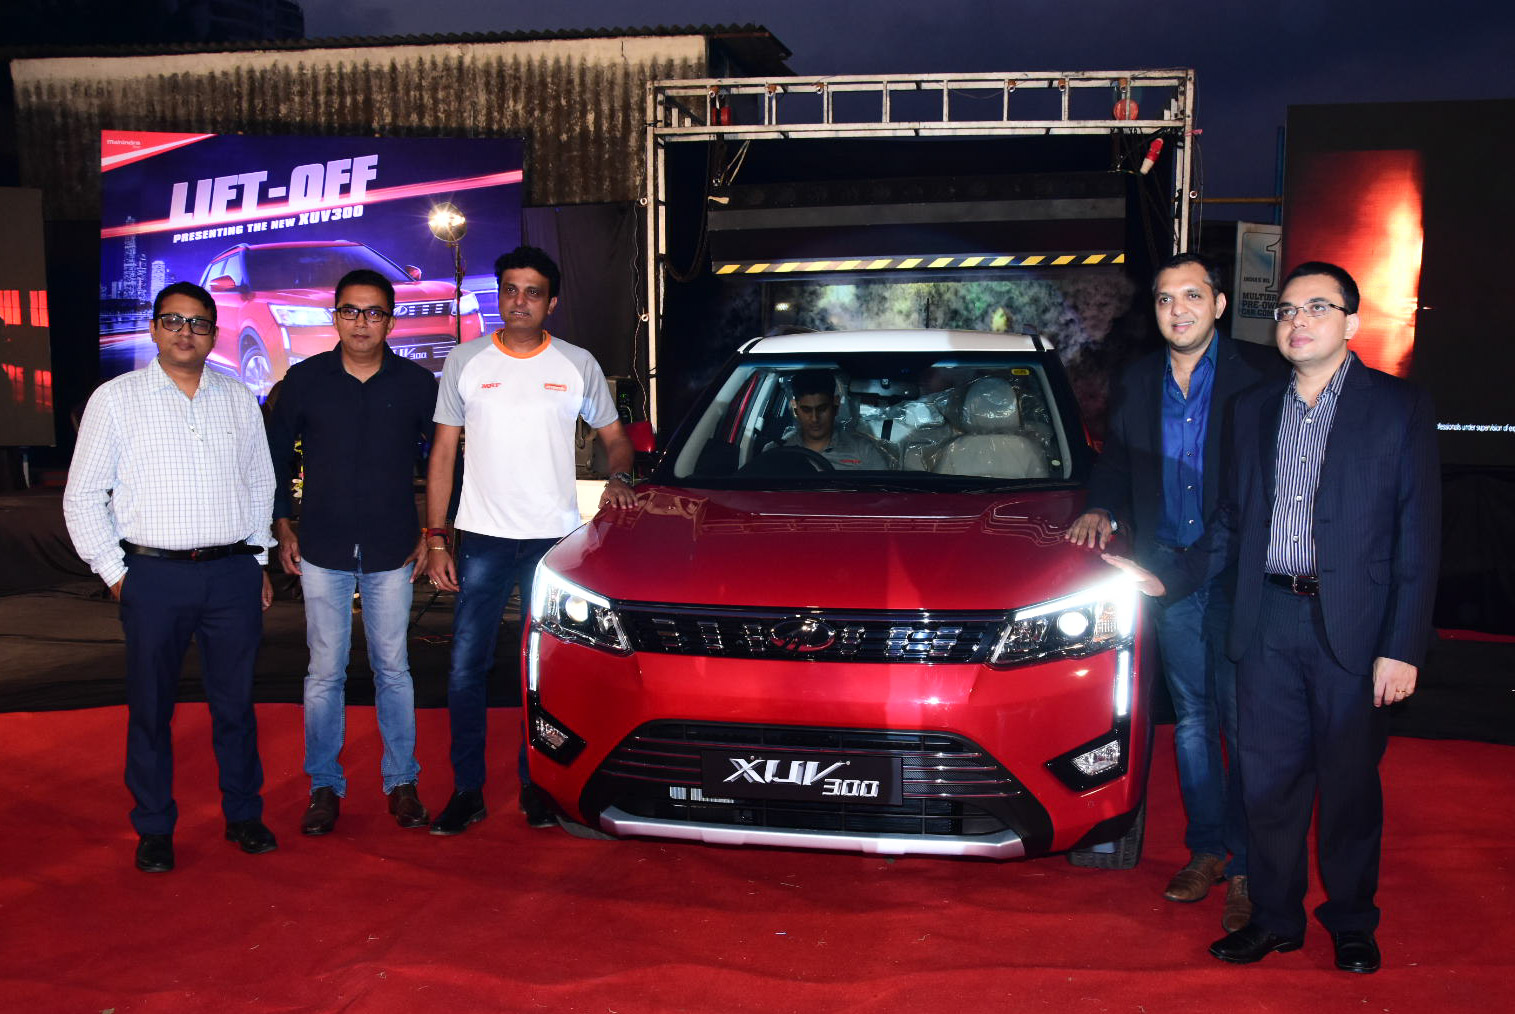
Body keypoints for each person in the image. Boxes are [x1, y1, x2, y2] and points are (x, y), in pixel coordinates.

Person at [1106, 262, 1440, 974]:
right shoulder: (1254, 408)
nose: (1298, 321)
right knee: (1266, 784)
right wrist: (1167, 578)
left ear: (1351, 322)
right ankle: (1274, 917)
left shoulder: (1396, 407)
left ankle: (1350, 920)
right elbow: (1232, 521)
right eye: (1287, 310)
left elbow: (1418, 532)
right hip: (1263, 621)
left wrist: (1403, 645)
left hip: (1354, 628)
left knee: (1348, 787)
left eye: (1317, 308)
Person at [1067, 253, 1281, 931]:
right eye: (1165, 299)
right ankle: (1207, 850)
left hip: (1239, 573)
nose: (1177, 310)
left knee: (1244, 724)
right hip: (1166, 575)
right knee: (1192, 720)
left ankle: (1248, 865)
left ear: (1218, 304)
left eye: (1191, 296)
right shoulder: (1136, 380)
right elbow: (1116, 460)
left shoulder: (1262, 375)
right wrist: (1100, 505)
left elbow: (1267, 486)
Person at [63, 281, 278, 873]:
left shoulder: (238, 397)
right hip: (152, 576)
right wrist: (115, 574)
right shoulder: (116, 398)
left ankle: (244, 814)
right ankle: (154, 826)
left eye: (199, 323)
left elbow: (260, 484)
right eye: (174, 321)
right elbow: (82, 496)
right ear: (155, 329)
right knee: (151, 708)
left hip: (231, 574)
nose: (186, 332)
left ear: (214, 332)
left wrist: (257, 560)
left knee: (235, 705)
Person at [421, 245, 635, 835]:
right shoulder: (465, 360)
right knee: (466, 667)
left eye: (532, 292)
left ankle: (536, 786)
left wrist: (620, 476)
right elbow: (443, 453)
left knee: (545, 671)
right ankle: (467, 790)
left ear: (551, 302)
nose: (519, 301)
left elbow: (617, 438)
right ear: (499, 295)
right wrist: (436, 537)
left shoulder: (576, 363)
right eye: (510, 289)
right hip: (483, 537)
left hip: (553, 543)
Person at [266, 268, 438, 837]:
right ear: (334, 316)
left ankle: (402, 782)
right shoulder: (305, 380)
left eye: (374, 312)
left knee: (394, 669)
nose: (361, 322)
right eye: (350, 311)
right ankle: (323, 786)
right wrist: (282, 524)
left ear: (391, 321)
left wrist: (435, 533)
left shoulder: (417, 384)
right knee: (324, 672)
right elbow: (275, 457)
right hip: (322, 545)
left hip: (394, 546)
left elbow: (444, 461)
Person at [784, 369, 890, 469]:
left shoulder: (863, 450)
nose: (814, 419)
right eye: (806, 410)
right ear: (795, 408)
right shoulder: (781, 449)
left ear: (835, 405)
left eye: (822, 409)